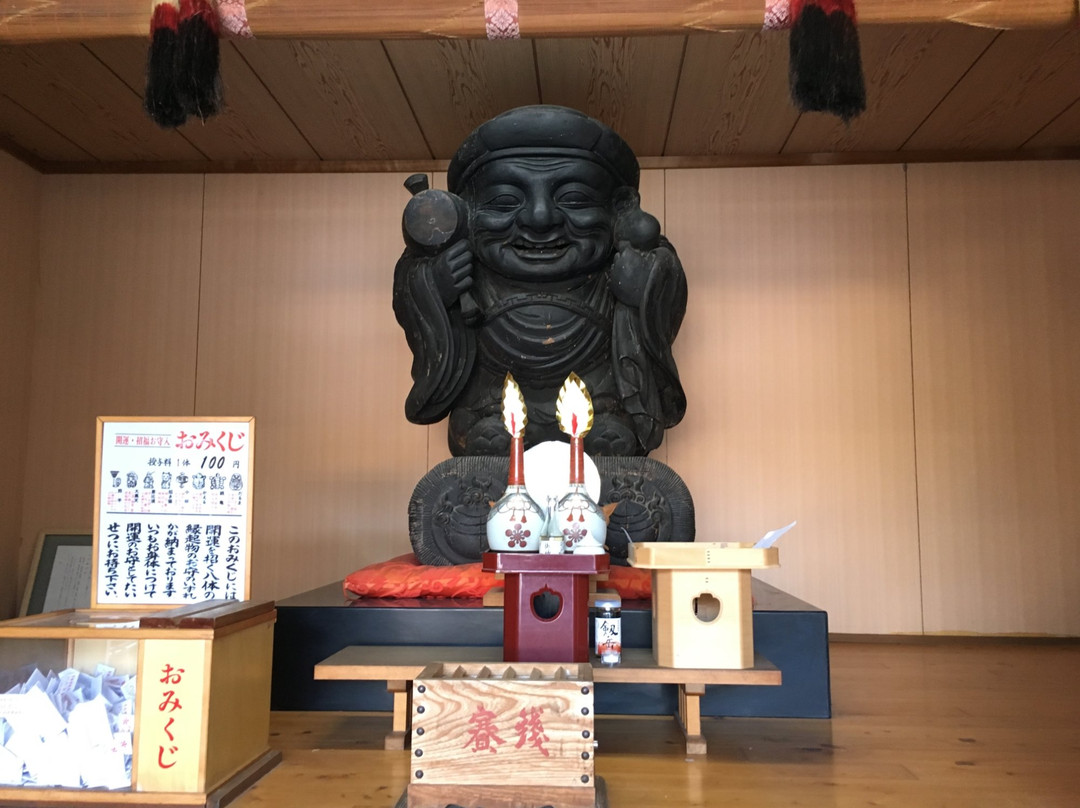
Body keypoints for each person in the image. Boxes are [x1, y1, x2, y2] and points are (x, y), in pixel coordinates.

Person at [393, 105, 686, 457]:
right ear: (464, 211)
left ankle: (604, 420)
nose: (540, 218)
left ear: (619, 208)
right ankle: (492, 423)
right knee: (483, 428)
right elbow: (414, 292)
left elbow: (664, 286)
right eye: (505, 201)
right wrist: (436, 286)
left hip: (596, 390)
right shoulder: (469, 269)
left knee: (609, 425)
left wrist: (645, 288)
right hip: (495, 394)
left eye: (574, 198)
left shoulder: (621, 261)